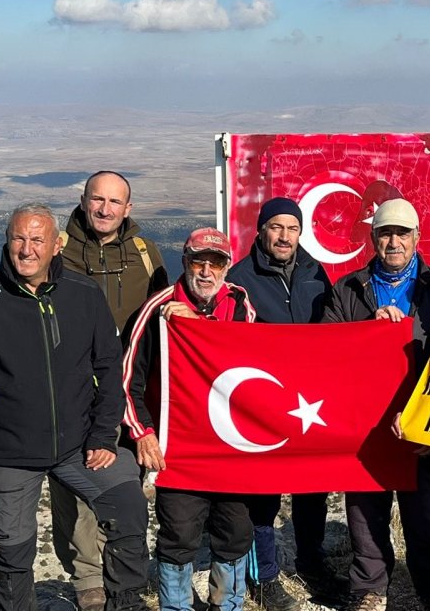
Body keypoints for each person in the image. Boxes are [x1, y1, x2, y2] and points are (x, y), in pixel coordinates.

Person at [0, 203, 150, 611]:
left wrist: (104, 434)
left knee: (126, 505)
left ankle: (126, 603)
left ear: (57, 245)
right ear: (7, 241)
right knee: (12, 551)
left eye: (37, 239)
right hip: (7, 453)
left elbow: (110, 367)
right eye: (19, 238)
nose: (27, 249)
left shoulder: (84, 296)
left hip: (80, 445)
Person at [322, 199, 430, 611]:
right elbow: (326, 349)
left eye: (402, 233)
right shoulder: (348, 289)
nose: (394, 241)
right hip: (364, 421)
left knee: (425, 514)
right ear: (372, 238)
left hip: (421, 419)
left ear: (417, 237)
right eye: (385, 233)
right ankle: (369, 590)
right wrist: (367, 333)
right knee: (364, 512)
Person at [120, 227, 257, 611]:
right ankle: (176, 606)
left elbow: (246, 363)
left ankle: (228, 604)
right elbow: (126, 379)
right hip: (177, 448)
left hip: (228, 444)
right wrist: (143, 434)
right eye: (199, 261)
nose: (207, 271)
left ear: (228, 268)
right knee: (179, 533)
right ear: (185, 262)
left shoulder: (240, 305)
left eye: (217, 263)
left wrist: (198, 328)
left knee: (234, 530)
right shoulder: (155, 310)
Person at [56, 170, 169, 610]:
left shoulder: (145, 253)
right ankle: (88, 580)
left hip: (128, 391)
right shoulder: (57, 250)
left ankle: (121, 579)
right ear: (84, 201)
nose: (104, 209)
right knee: (75, 485)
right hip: (70, 392)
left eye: (114, 202)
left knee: (123, 484)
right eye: (97, 200)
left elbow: (162, 315)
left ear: (128, 208)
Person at [224, 197, 332, 611]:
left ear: (301, 232)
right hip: (262, 403)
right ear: (261, 230)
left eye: (292, 228)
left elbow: (331, 328)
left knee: (312, 488)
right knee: (263, 497)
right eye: (276, 227)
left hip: (308, 402)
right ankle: (264, 577)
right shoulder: (240, 278)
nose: (284, 236)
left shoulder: (315, 273)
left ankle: (312, 562)